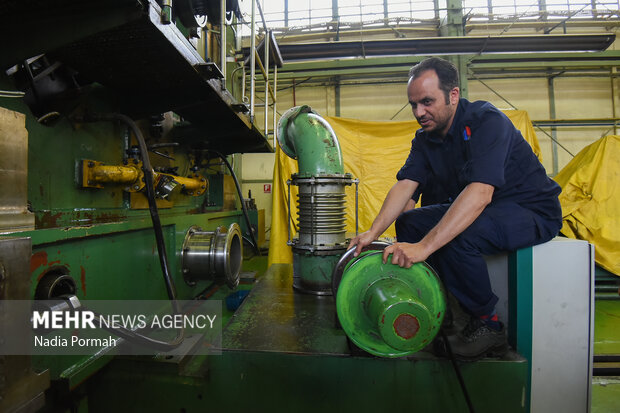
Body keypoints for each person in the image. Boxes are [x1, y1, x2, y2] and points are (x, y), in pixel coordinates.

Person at [348, 57, 562, 359]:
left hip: (528, 210)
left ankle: (488, 325)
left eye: (426, 102)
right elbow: (406, 184)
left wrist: (423, 247)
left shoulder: (488, 122)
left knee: (459, 234)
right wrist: (373, 232)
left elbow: (480, 193)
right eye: (413, 105)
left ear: (453, 95)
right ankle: (440, 307)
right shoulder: (425, 139)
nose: (419, 113)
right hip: (490, 211)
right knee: (409, 223)